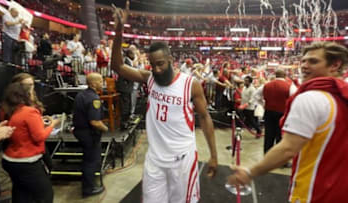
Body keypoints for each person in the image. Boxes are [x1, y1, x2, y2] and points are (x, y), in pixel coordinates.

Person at [111, 2, 217, 203]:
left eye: (160, 64)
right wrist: (119, 31)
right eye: (153, 64)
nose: (156, 69)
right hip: (155, 159)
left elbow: (204, 118)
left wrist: (213, 155)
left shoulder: (190, 84)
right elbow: (117, 65)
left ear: (170, 59)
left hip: (182, 160)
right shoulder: (149, 78)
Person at [227, 41, 348, 203]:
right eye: (303, 61)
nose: (304, 65)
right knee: (276, 136)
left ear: (335, 65)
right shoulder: (342, 95)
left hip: (314, 190)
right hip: (341, 186)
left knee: (272, 138)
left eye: (313, 61)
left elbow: (288, 149)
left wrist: (250, 172)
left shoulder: (310, 98)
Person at [1, 82, 60, 203]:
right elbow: (39, 137)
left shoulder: (8, 110)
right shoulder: (29, 112)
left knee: (21, 192)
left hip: (10, 160)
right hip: (26, 161)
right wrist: (52, 125)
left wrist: (38, 124)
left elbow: (21, 130)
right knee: (45, 194)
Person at [73, 73, 108, 198]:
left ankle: (88, 184)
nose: (102, 83)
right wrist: (105, 129)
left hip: (79, 132)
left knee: (88, 160)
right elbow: (95, 122)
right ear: (93, 83)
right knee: (91, 162)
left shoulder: (81, 95)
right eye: (100, 81)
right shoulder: (94, 99)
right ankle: (88, 189)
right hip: (89, 134)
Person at [253, 69, 297, 154]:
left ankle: (267, 155)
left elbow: (256, 96)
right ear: (285, 76)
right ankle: (279, 158)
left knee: (269, 135)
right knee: (280, 136)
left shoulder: (266, 85)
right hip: (282, 113)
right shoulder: (290, 86)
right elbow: (296, 99)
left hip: (269, 112)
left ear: (275, 75)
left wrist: (263, 104)